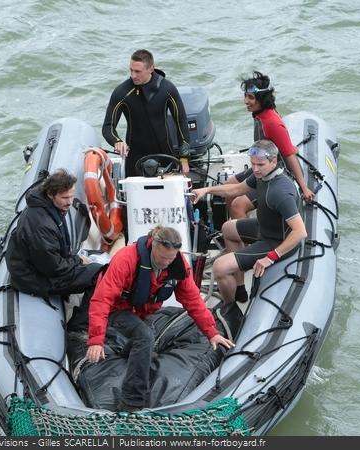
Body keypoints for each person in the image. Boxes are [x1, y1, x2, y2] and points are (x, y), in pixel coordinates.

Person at [85, 225, 234, 412]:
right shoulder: (126, 259)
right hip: (118, 309)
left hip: (143, 311)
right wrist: (96, 340)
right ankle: (132, 402)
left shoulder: (179, 266)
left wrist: (211, 333)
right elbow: (102, 299)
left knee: (146, 335)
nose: (166, 263)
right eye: (162, 258)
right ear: (152, 246)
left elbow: (193, 300)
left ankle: (128, 355)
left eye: (171, 259)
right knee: (145, 336)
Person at [192, 140, 308, 304]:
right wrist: (207, 190)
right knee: (227, 228)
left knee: (220, 267)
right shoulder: (262, 175)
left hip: (275, 242)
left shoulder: (280, 191)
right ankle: (239, 288)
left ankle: (231, 311)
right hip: (264, 228)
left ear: (274, 161)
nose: (255, 169)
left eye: (260, 164)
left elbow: (300, 232)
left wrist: (271, 257)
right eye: (252, 164)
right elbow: (236, 189)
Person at [224, 71, 315, 219]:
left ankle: (246, 238)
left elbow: (289, 157)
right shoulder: (260, 114)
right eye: (245, 96)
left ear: (262, 99)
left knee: (237, 205)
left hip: (275, 174)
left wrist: (304, 188)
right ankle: (233, 231)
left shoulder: (271, 122)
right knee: (229, 185)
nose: (246, 101)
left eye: (251, 97)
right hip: (261, 167)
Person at [6, 169, 103, 298]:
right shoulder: (41, 226)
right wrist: (77, 260)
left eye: (71, 196)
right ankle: (84, 316)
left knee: (95, 265)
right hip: (34, 279)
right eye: (64, 198)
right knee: (98, 274)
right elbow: (54, 268)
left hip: (41, 266)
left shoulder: (47, 206)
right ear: (51, 194)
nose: (69, 202)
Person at [102, 49, 191, 177]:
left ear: (151, 69)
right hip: (135, 158)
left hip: (165, 155)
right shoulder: (122, 92)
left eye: (137, 71)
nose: (133, 75)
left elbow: (181, 122)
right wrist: (117, 141)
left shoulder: (167, 89)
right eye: (131, 70)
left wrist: (184, 159)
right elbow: (108, 127)